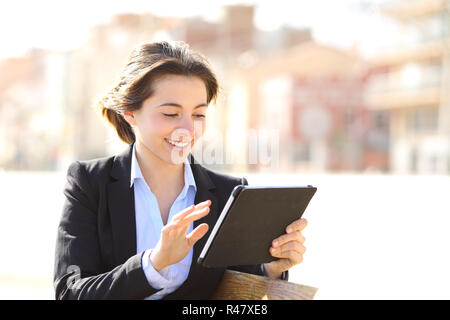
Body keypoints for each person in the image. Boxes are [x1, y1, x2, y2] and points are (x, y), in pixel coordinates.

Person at [53, 41, 308, 300]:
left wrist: (269, 269)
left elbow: (237, 297)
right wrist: (153, 264)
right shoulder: (89, 183)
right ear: (130, 112)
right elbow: (70, 293)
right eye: (171, 113)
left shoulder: (229, 192)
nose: (187, 129)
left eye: (198, 115)